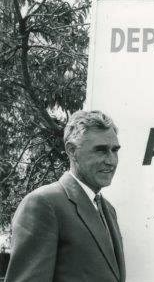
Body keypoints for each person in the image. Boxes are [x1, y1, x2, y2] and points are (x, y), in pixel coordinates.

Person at [5, 110, 125, 282]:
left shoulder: (108, 210)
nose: (111, 160)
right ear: (71, 150)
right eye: (101, 150)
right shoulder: (43, 204)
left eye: (115, 150)